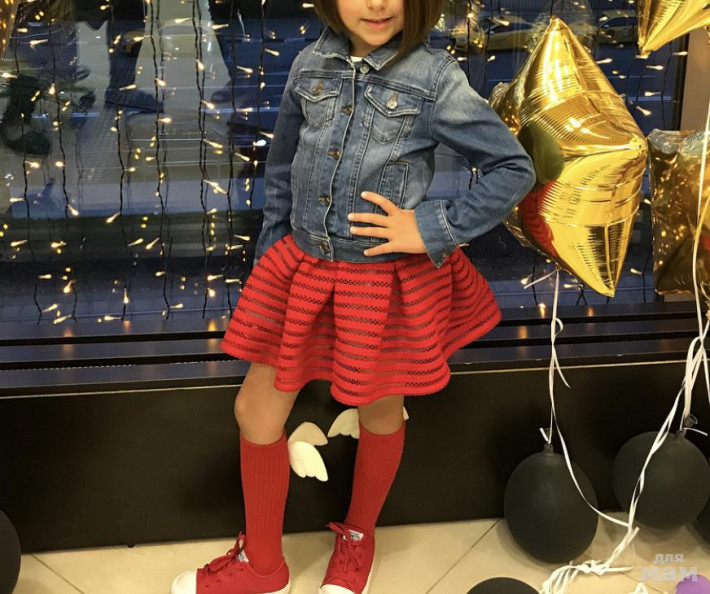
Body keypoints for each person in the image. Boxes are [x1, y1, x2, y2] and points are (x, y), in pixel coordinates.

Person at [171, 0, 535, 593]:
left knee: (380, 408)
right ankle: (263, 564)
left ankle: (358, 537)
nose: (377, 3)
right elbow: (282, 172)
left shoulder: (434, 77)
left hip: (381, 283)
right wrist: (270, 263)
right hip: (305, 271)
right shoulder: (309, 65)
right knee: (257, 409)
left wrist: (431, 228)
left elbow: (512, 169)